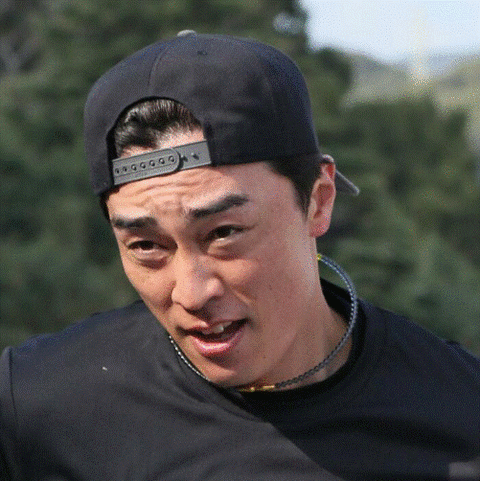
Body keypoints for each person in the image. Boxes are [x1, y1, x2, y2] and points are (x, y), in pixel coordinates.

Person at [0, 31, 479, 481]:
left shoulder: (460, 411)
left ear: (318, 201)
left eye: (224, 233)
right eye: (146, 245)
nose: (192, 293)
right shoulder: (35, 405)